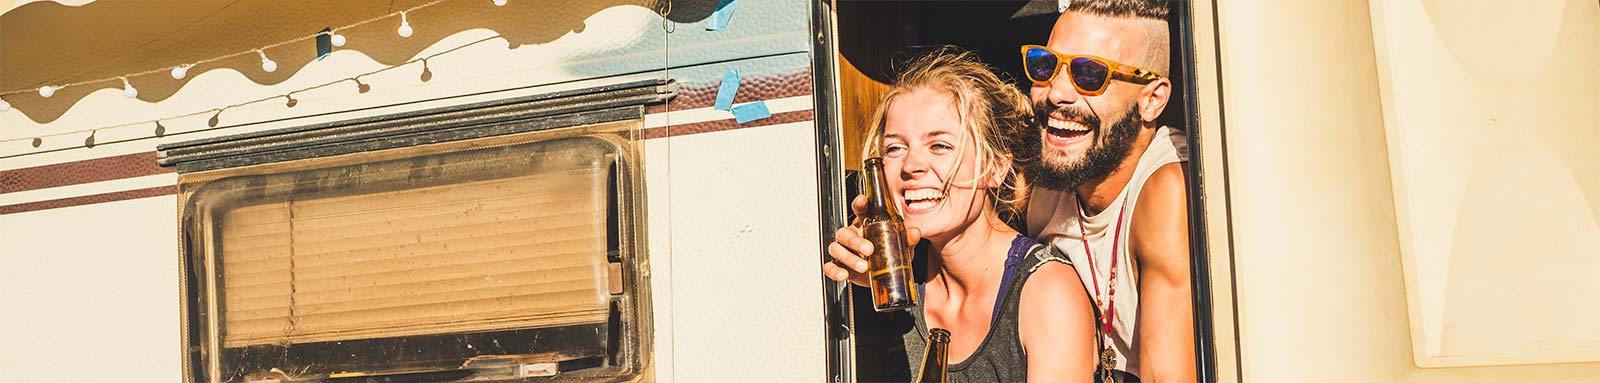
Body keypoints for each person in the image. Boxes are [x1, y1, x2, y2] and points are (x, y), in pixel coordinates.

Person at [828, 2, 1197, 382]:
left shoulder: (1166, 191)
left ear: (1152, 99)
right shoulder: (1052, 175)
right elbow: (976, 215)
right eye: (1046, 66)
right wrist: (876, 250)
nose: (1057, 93)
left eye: (1090, 75)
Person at [823, 47, 1098, 382]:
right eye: (895, 148)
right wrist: (856, 290)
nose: (911, 166)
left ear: (996, 168)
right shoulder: (896, 279)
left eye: (939, 145)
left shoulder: (1046, 292)